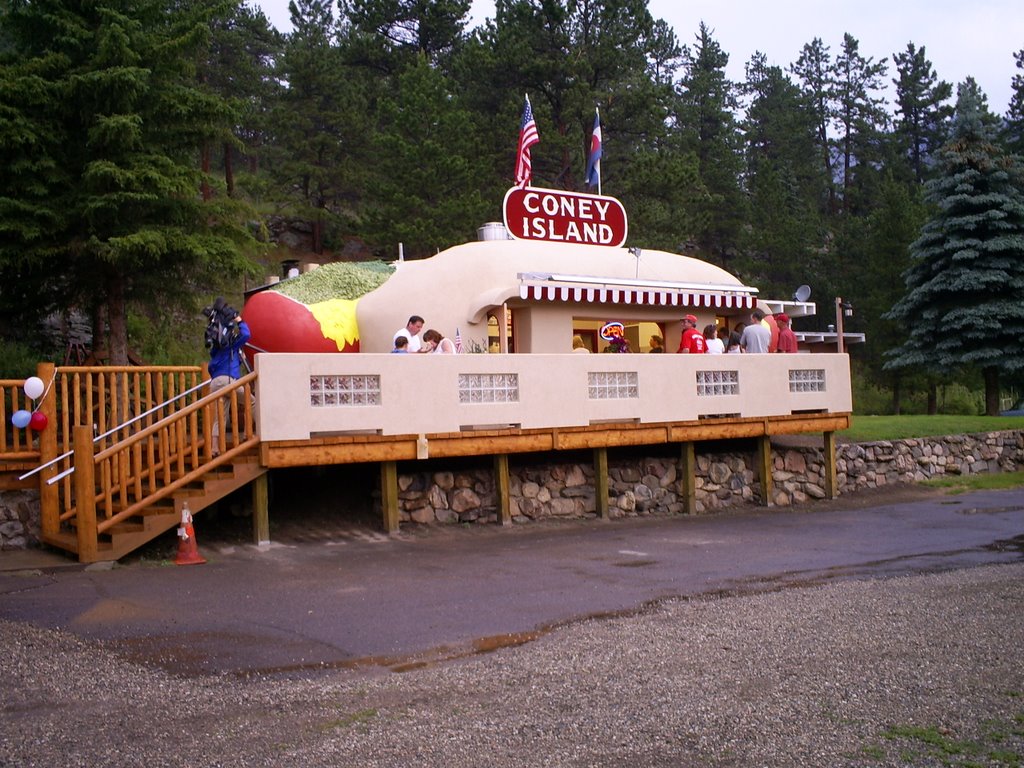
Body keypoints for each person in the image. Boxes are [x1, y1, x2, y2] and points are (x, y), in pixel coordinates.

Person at [207, 298, 251, 456]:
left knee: (220, 415)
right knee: (251, 402)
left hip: (215, 383)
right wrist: (239, 319)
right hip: (228, 381)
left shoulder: (216, 350)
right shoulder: (231, 345)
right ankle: (248, 435)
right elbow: (246, 335)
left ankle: (214, 448)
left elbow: (211, 367)